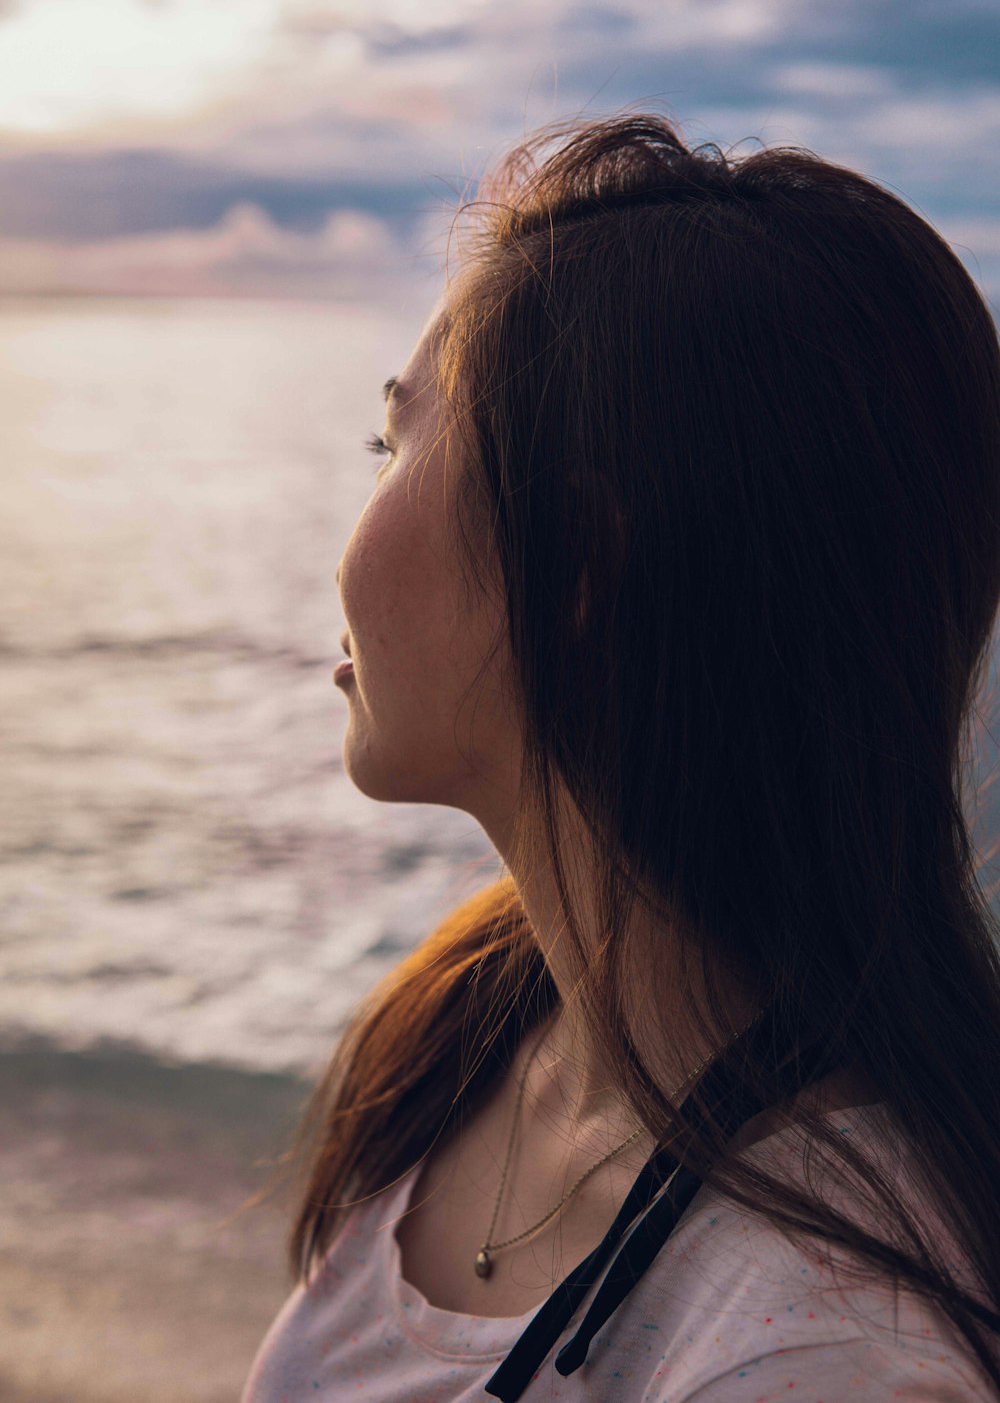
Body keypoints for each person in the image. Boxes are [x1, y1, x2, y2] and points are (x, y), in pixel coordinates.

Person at [239, 110, 1000, 1400]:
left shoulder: (817, 1354)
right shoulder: (478, 1021)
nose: (343, 547)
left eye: (393, 445)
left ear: (582, 564)